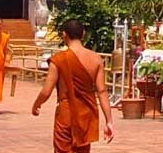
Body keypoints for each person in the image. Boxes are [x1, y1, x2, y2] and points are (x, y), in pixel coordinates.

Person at [32, 19, 114, 152]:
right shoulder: (96, 59)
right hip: (85, 113)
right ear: (83, 34)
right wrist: (109, 121)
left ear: (64, 35)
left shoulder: (58, 60)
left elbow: (46, 91)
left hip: (66, 112)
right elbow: (102, 91)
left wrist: (36, 104)